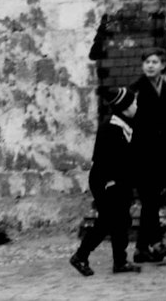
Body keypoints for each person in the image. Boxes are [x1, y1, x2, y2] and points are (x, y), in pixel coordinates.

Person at [70, 87, 143, 276]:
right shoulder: (110, 127)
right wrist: (110, 182)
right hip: (106, 180)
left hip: (120, 180)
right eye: (134, 103)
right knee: (107, 220)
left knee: (122, 220)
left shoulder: (124, 124)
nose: (136, 106)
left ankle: (120, 261)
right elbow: (103, 159)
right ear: (125, 107)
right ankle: (80, 256)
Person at [127, 49, 166, 264]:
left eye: (155, 62)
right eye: (147, 62)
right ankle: (156, 242)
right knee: (149, 199)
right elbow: (127, 121)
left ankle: (142, 249)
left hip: (163, 154)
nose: (150, 65)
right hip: (141, 153)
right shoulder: (135, 91)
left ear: (163, 65)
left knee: (153, 200)